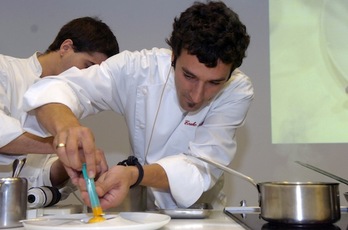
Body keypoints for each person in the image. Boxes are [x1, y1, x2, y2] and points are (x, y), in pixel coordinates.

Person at [22, 1, 253, 209]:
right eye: (188, 75)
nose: (197, 95)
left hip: (203, 214)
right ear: (173, 56)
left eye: (214, 82)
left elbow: (199, 168)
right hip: (144, 211)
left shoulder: (237, 91)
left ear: (230, 75)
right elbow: (57, 89)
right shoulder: (139, 69)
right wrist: (68, 128)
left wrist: (134, 174)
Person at [0, 16, 119, 203]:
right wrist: (65, 145)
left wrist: (71, 164)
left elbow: (39, 178)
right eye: (87, 66)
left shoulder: (68, 103)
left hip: (19, 212)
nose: (87, 78)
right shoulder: (5, 69)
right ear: (65, 47)